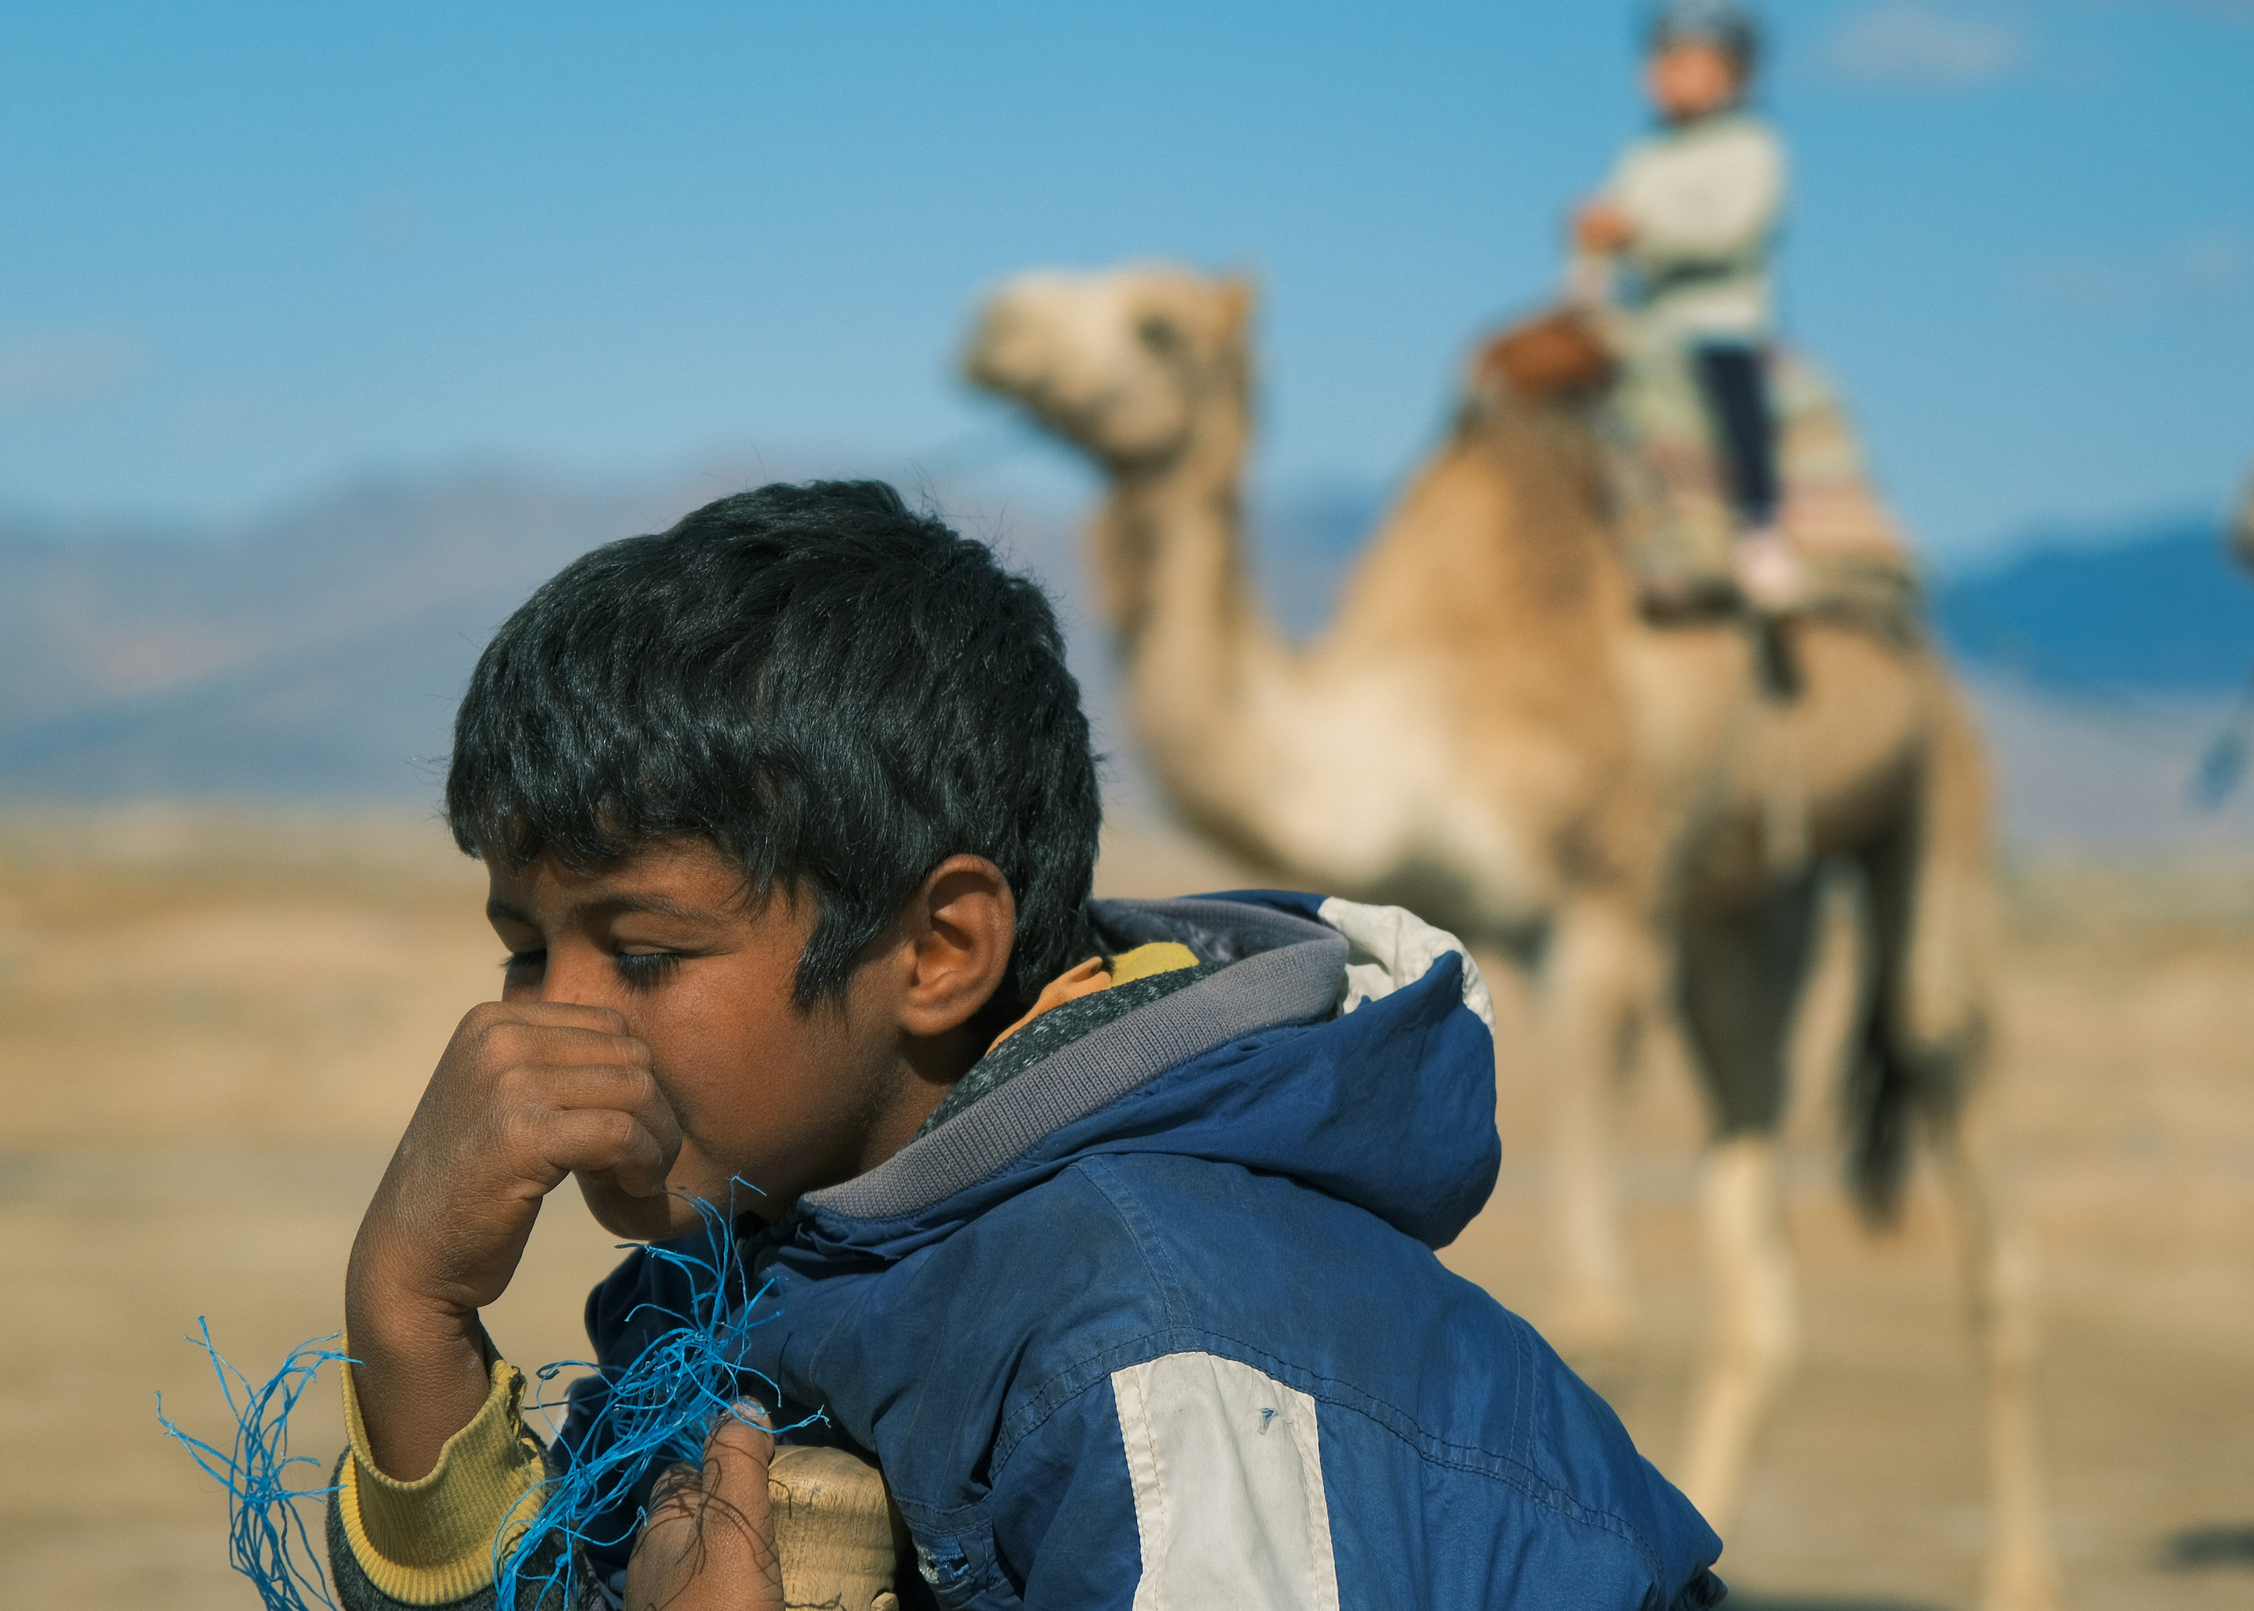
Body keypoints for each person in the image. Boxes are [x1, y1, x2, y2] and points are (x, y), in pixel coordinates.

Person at [331, 480, 1725, 1610]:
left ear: (938, 951)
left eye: (641, 952)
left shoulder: (1154, 1347)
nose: (543, 1018)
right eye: (526, 944)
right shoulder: (763, 1261)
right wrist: (413, 1324)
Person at [1575, 0, 1799, 611]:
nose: (1668, 75)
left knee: (1736, 402)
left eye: (1687, 62)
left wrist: (1639, 231)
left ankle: (1760, 528)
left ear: (1733, 74)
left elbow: (1731, 230)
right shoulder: (1643, 151)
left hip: (1720, 319)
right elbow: (1618, 215)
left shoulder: (1754, 148)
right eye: (1662, 60)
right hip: (1644, 323)